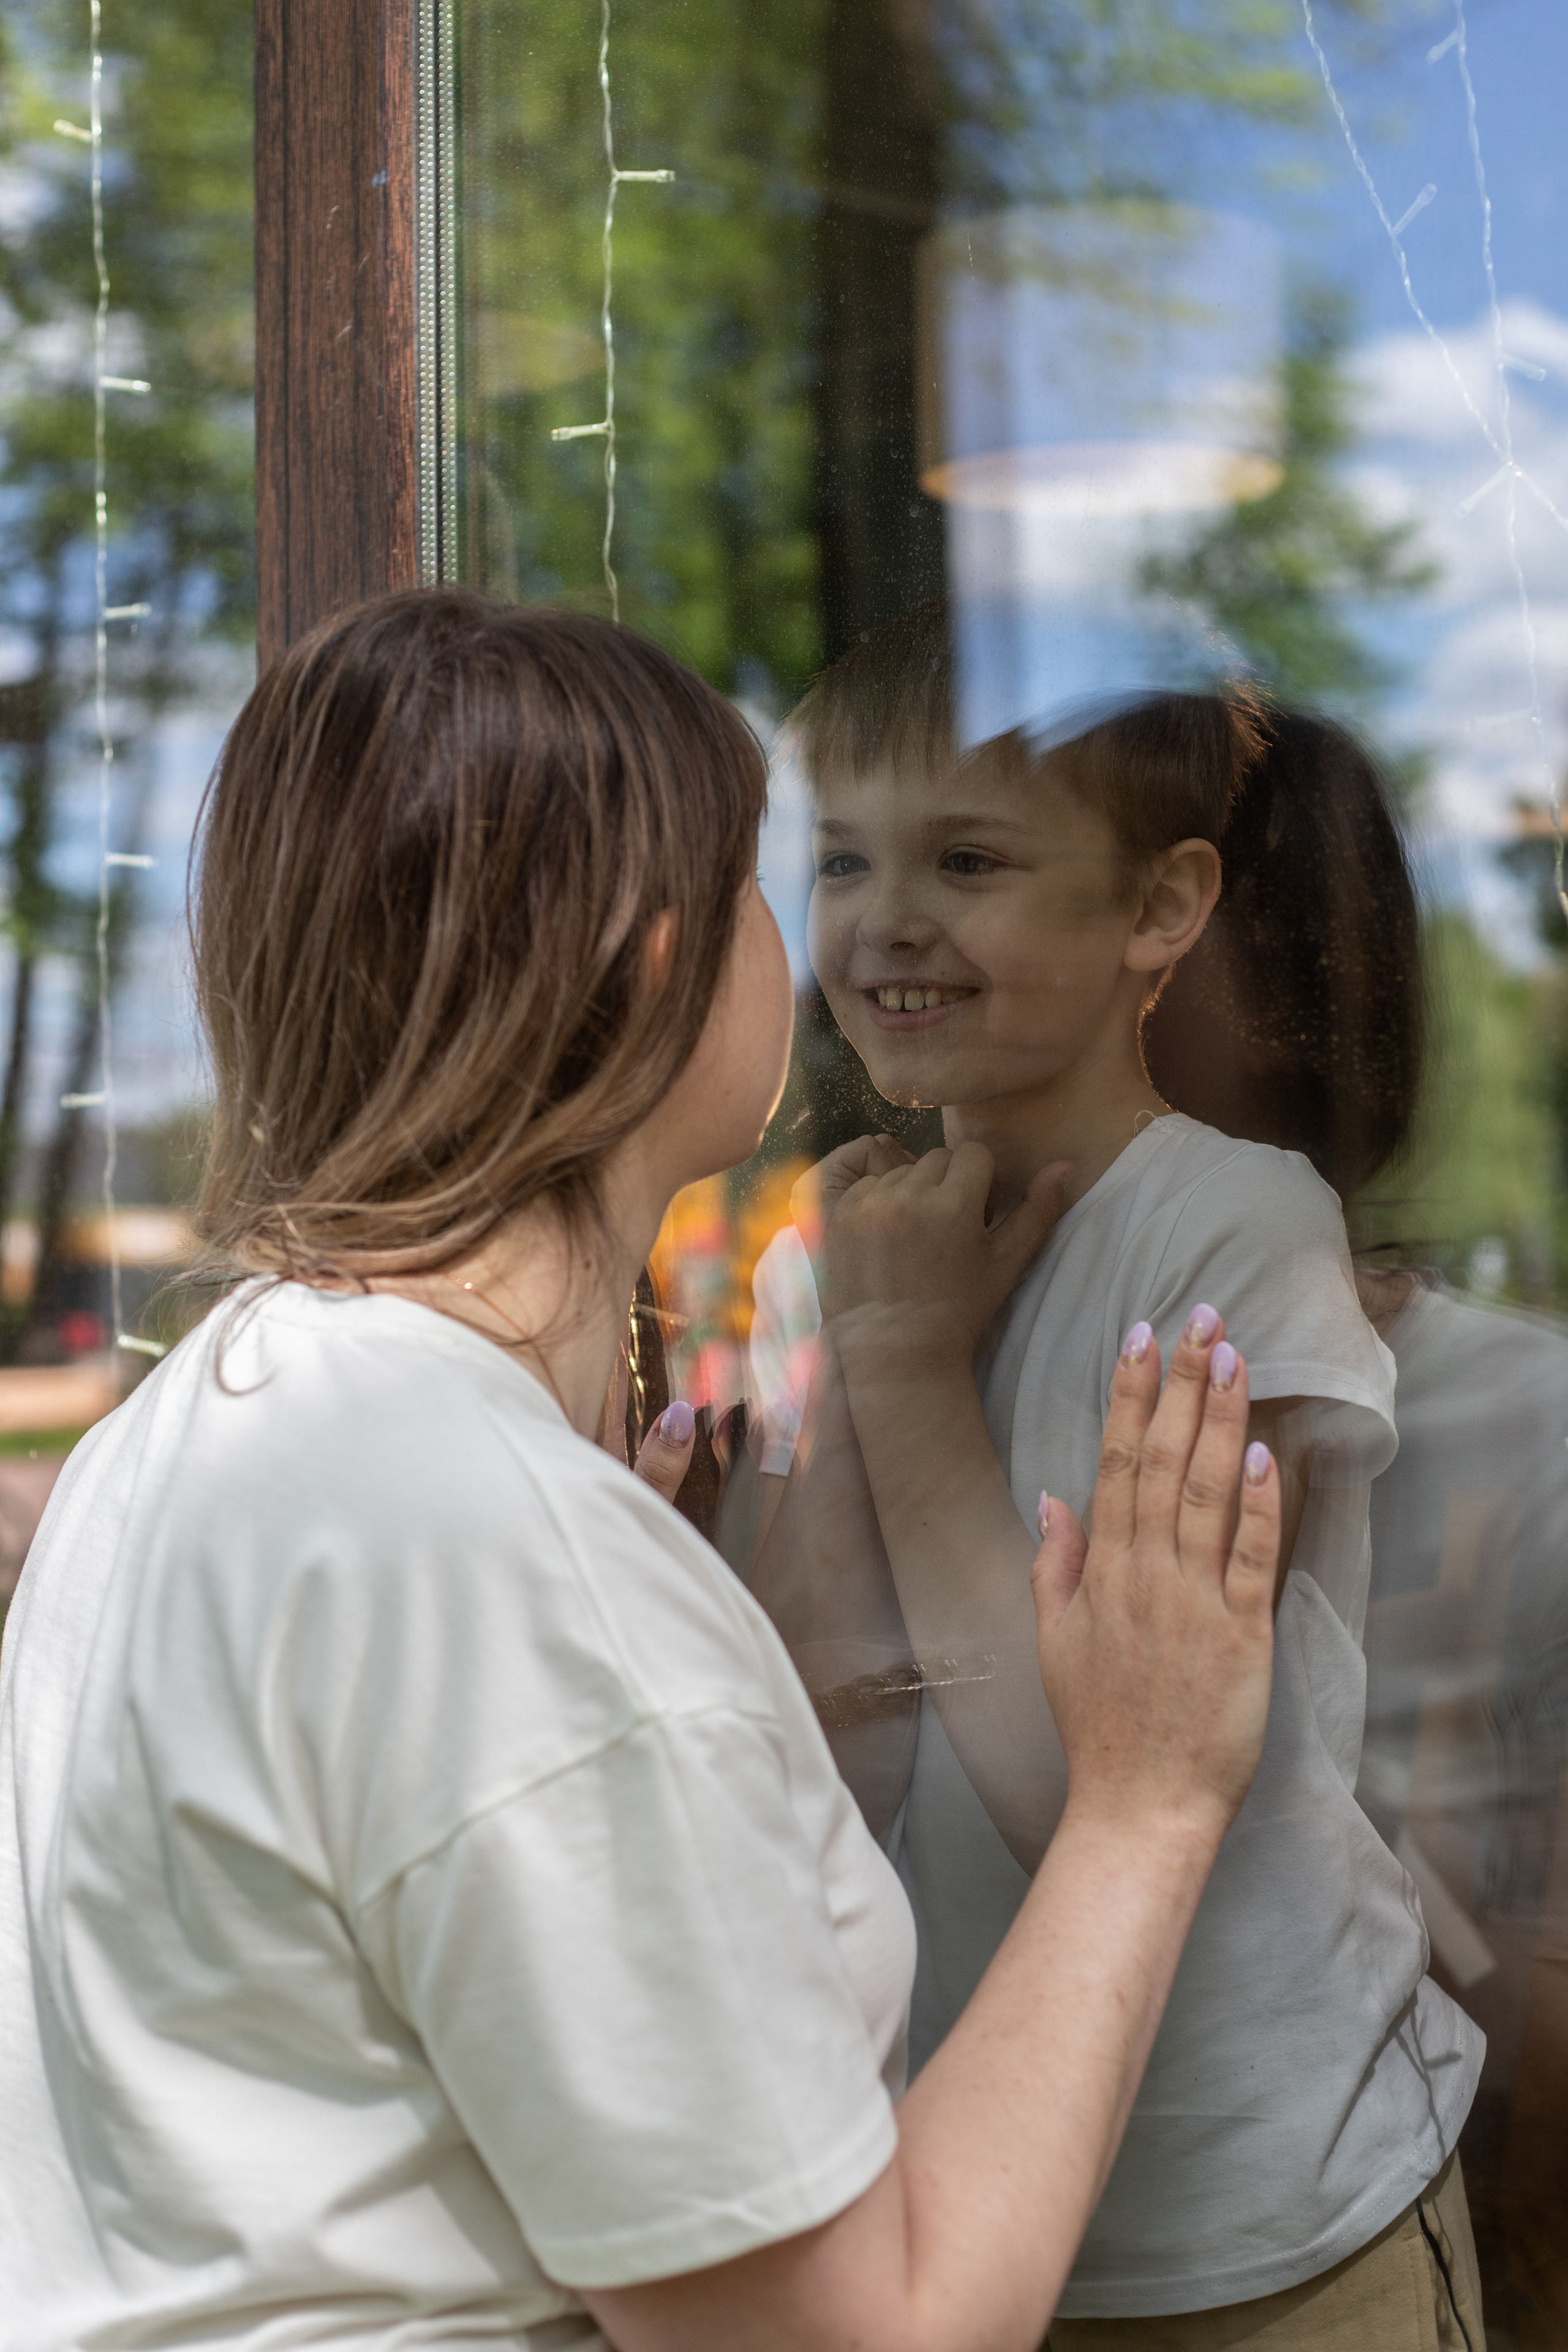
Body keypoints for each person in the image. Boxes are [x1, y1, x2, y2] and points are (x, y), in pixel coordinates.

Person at [0, 586, 1283, 2352]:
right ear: (663, 959)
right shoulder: (485, 1545)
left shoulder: (206, 1422)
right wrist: (1148, 1803)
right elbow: (861, 2336)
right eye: (787, 875)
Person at [747, 613, 1486, 2345]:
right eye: (842, 856)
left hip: (1280, 2220)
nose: (886, 917)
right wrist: (864, 1361)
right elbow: (801, 1739)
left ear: (1161, 912)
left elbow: (1082, 1780)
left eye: (970, 858)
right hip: (986, 2204)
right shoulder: (845, 1248)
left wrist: (913, 1380)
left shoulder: (1236, 1229)